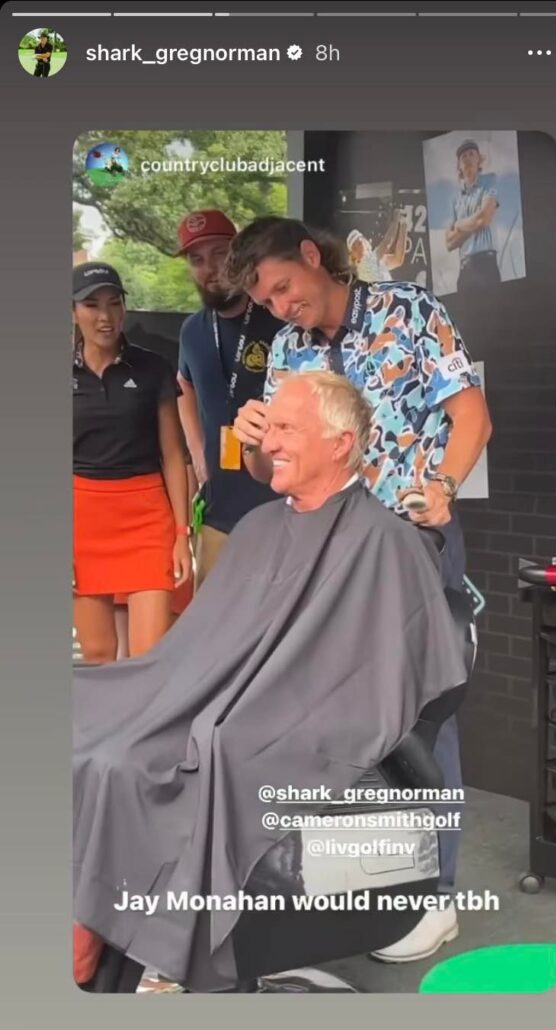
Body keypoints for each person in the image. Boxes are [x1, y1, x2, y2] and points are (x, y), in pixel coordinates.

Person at [73, 372, 467, 993]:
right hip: (220, 696)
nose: (268, 444)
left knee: (198, 748)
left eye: (286, 429)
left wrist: (242, 711)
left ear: (340, 443)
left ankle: (143, 941)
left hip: (299, 723)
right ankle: (104, 923)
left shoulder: (385, 541)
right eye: (269, 428)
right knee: (96, 733)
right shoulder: (258, 528)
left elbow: (388, 675)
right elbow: (207, 647)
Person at [227, 216, 492, 961]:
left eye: (284, 287)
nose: (281, 307)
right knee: (337, 723)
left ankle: (435, 896)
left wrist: (443, 486)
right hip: (326, 557)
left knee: (422, 719)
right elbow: (269, 473)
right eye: (266, 301)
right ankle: (361, 884)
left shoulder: (409, 311)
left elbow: (471, 416)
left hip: (410, 542)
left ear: (313, 257)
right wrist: (253, 441)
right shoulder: (288, 350)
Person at [73, 262, 192, 664]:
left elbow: (173, 455)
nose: (105, 316)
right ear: (72, 312)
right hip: (81, 517)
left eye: (114, 303)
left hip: (146, 516)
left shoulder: (153, 367)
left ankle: (148, 713)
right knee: (98, 653)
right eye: (91, 305)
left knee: (149, 654)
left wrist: (181, 534)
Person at [175, 209, 282, 589]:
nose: (210, 268)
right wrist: (197, 451)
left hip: (277, 509)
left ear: (238, 253)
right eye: (197, 259)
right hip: (218, 511)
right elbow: (183, 384)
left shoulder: (278, 317)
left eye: (220, 253)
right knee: (213, 616)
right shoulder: (192, 331)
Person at [445, 139, 501, 295]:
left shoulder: (490, 180)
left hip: (486, 265)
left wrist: (459, 225)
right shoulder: (455, 198)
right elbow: (449, 242)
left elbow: (484, 219)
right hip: (465, 271)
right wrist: (475, 221)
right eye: (463, 156)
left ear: (479, 159)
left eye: (471, 154)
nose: (468, 158)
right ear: (459, 165)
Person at [347, 208, 408, 282]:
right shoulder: (365, 263)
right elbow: (387, 243)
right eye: (354, 248)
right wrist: (396, 220)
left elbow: (398, 259)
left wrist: (403, 224)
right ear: (352, 256)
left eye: (360, 243)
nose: (358, 249)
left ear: (365, 242)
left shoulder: (375, 260)